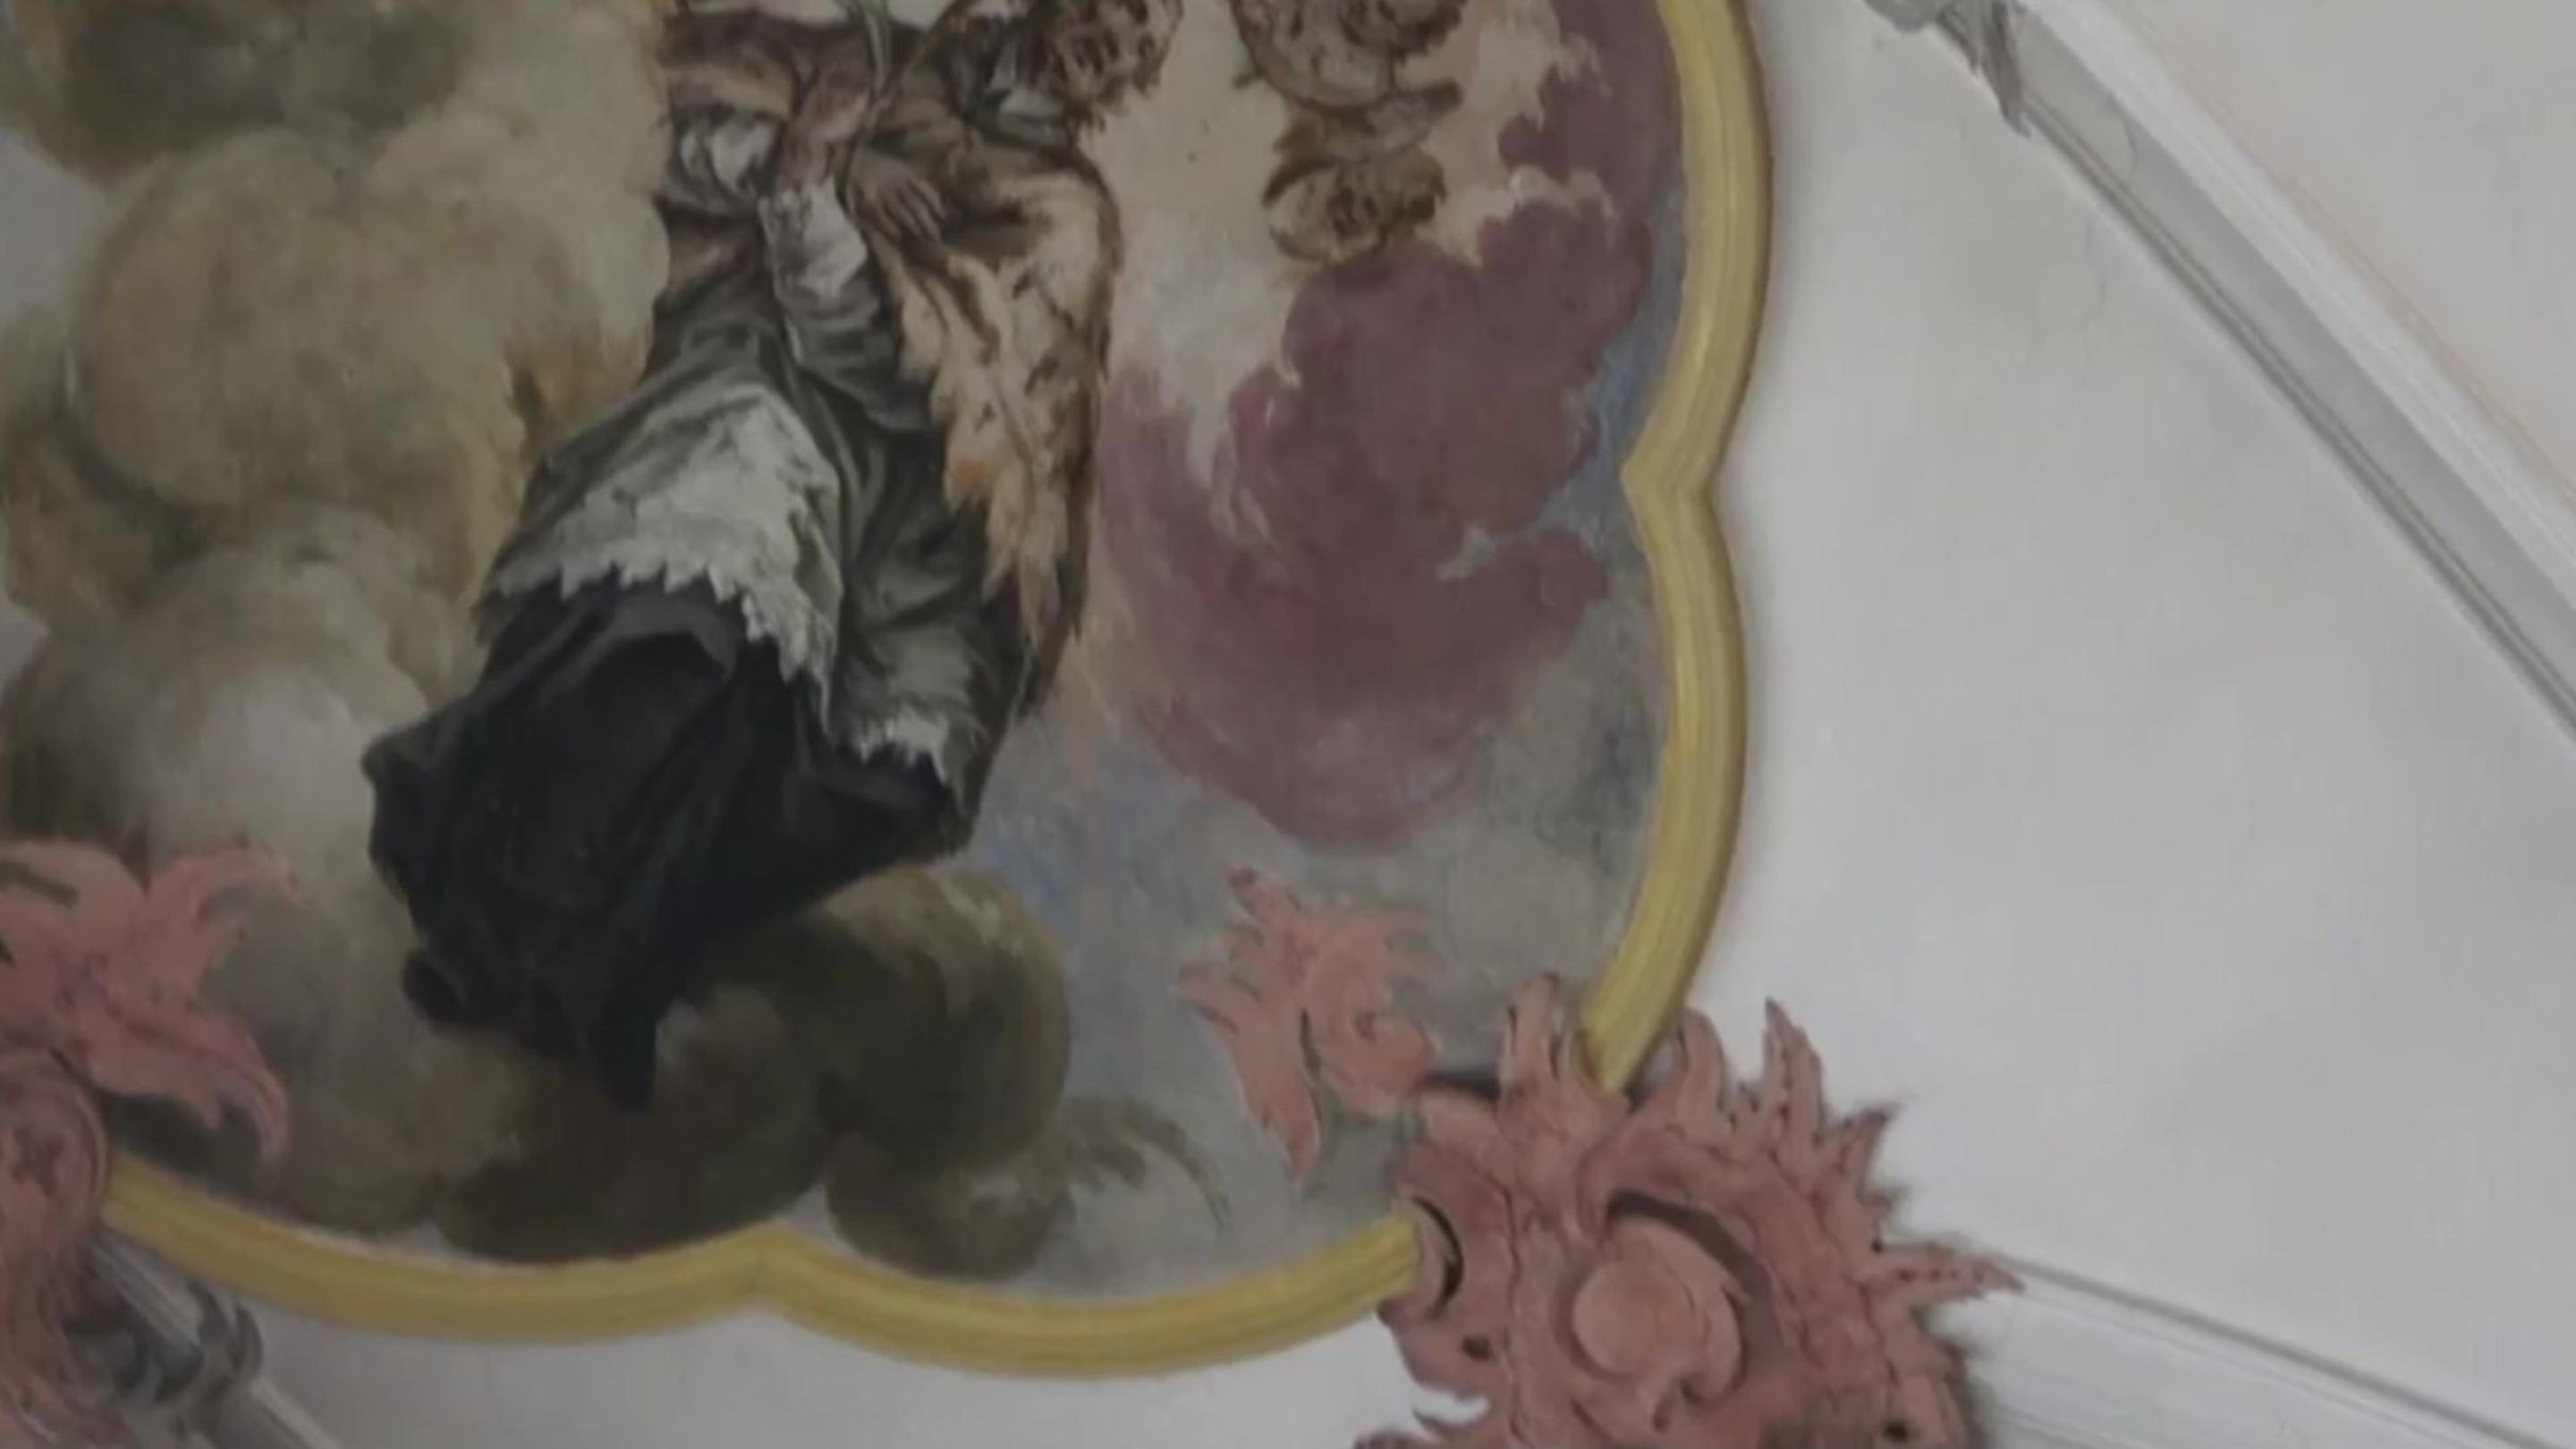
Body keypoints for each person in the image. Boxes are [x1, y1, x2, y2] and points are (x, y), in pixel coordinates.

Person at [364, 0, 1177, 1107]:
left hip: (911, 522)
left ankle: (598, 956)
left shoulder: (1061, 216)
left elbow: (946, 396)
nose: (1112, 34)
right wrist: (811, 166)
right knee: (706, 584)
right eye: (1107, 6)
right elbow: (685, 147)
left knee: (892, 777)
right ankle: (508, 927)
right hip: (763, 391)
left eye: (1141, 32)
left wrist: (820, 201)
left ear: (1135, 75)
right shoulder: (867, 65)